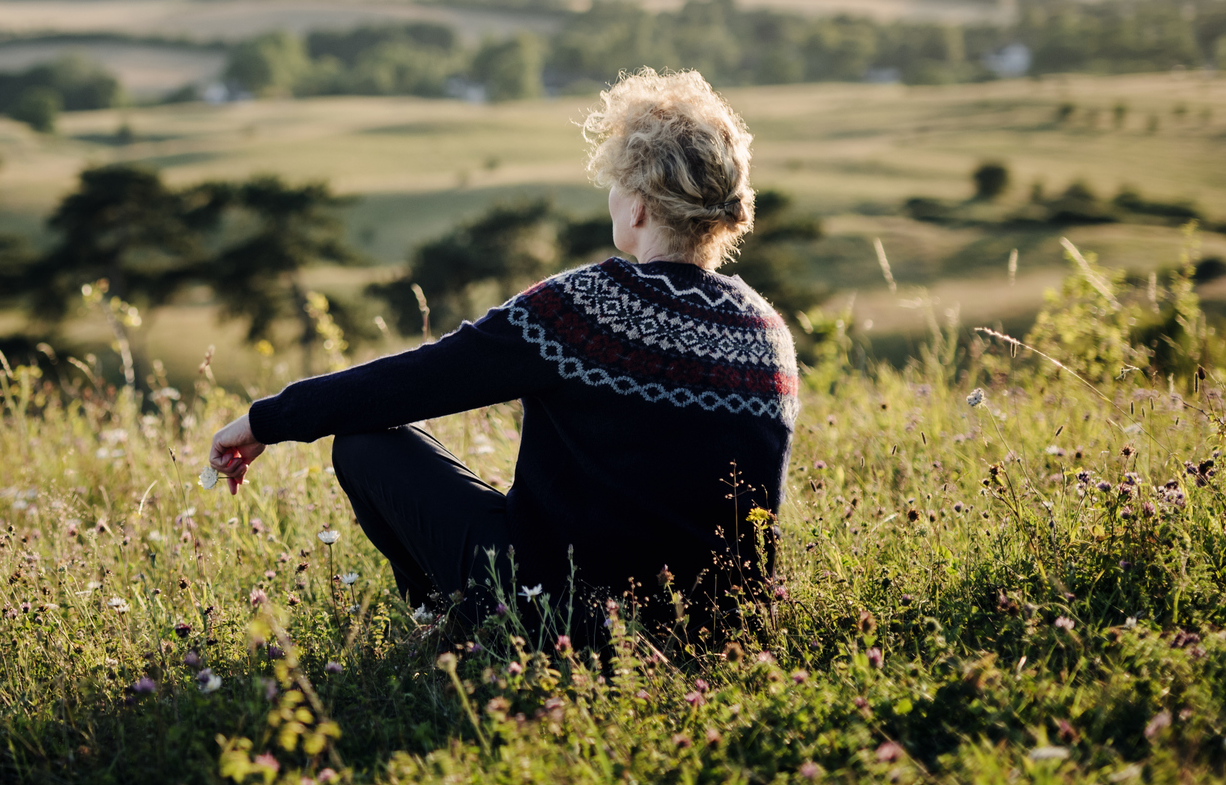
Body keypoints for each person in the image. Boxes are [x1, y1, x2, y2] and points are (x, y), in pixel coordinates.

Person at [208, 68, 799, 642]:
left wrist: (268, 420)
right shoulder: (768, 334)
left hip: (561, 620)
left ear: (640, 204)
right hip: (723, 636)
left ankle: (458, 632)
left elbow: (418, 380)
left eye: (617, 182)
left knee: (366, 444)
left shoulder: (589, 308)